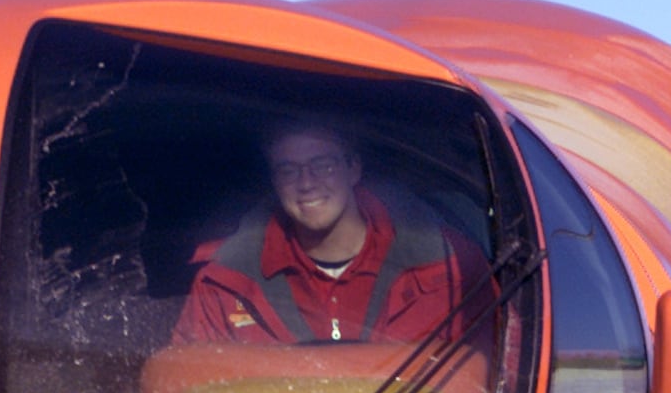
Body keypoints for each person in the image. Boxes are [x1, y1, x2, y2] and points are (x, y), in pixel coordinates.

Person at [172, 121, 490, 348]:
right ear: (274, 181)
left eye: (322, 166)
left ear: (353, 169)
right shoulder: (225, 282)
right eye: (288, 170)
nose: (306, 183)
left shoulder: (450, 265)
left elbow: (502, 383)